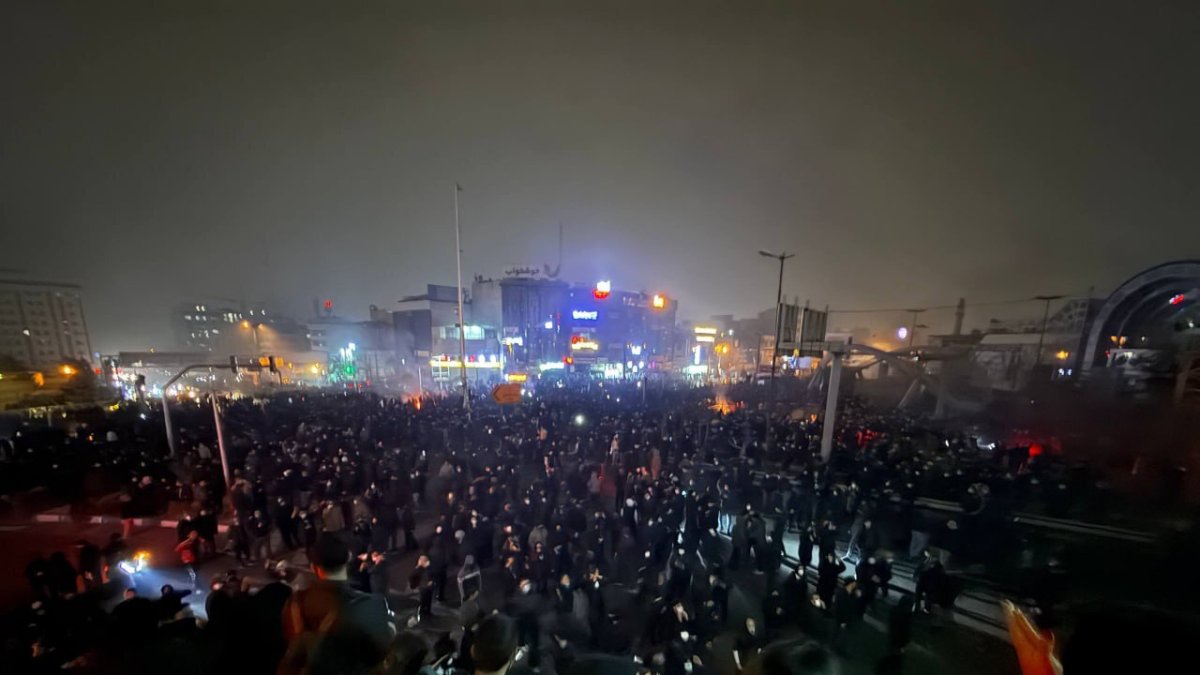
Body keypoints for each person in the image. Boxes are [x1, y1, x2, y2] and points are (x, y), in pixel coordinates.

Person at [282, 534, 396, 661]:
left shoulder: (295, 604)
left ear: (314, 568)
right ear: (348, 558)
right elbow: (383, 651)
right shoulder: (372, 605)